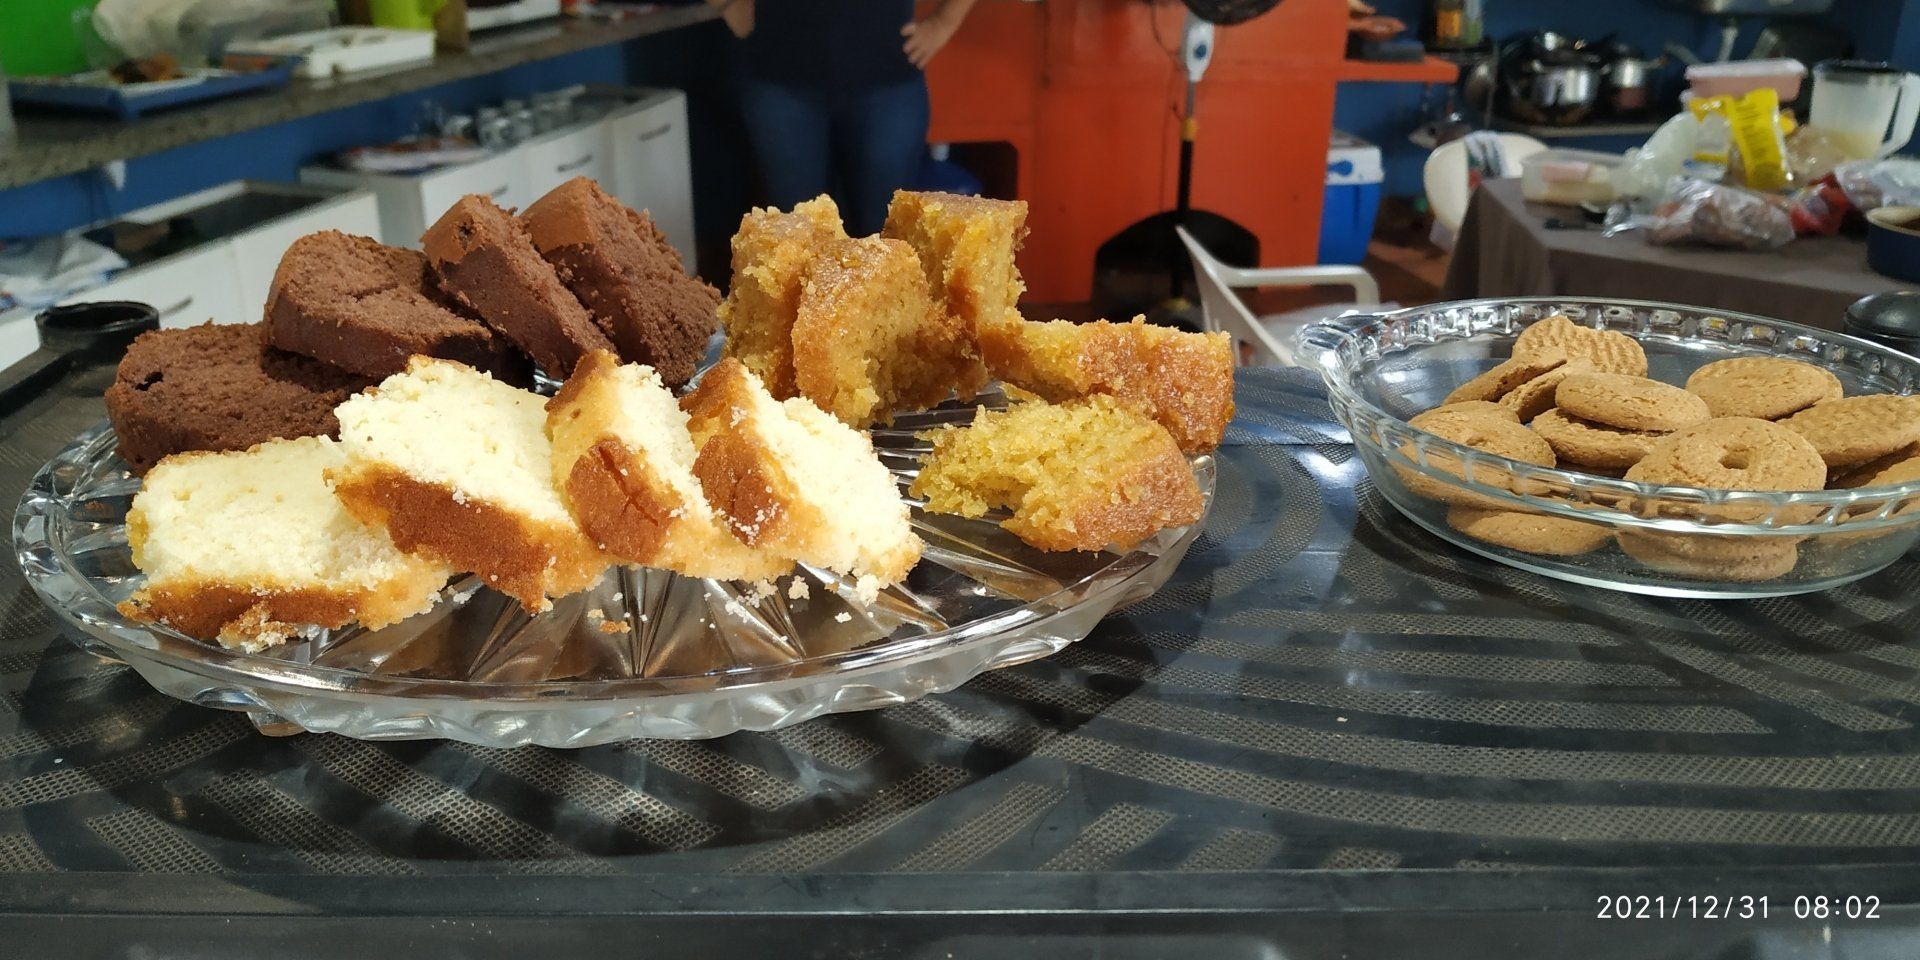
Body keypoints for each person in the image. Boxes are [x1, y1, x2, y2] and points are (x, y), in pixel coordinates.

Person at [708, 0, 979, 235]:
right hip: (781, 82)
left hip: (887, 84)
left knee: (883, 236)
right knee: (798, 238)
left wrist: (944, 23)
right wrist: (729, 5)